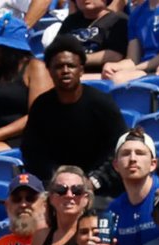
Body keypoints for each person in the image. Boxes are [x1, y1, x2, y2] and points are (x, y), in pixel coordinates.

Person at [21, 39, 125, 182]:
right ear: (49, 71)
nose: (65, 71)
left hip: (97, 186)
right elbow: (31, 150)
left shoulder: (101, 103)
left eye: (71, 66)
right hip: (55, 185)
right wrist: (54, 178)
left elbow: (119, 146)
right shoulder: (42, 106)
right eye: (58, 66)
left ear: (81, 70)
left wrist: (94, 181)